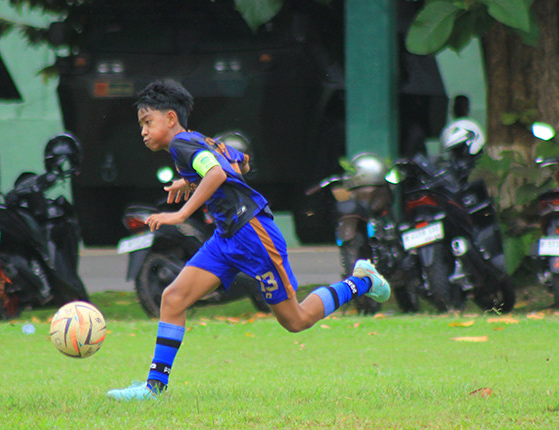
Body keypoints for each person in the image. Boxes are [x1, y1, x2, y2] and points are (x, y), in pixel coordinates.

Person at [107, 79, 391, 401]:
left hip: (253, 235)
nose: (143, 131)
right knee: (173, 298)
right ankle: (153, 388)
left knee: (295, 320)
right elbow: (239, 161)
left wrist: (180, 214)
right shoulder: (198, 141)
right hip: (226, 238)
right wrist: (187, 181)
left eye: (148, 122)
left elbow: (216, 173)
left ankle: (361, 281)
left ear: (171, 118)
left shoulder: (182, 145)